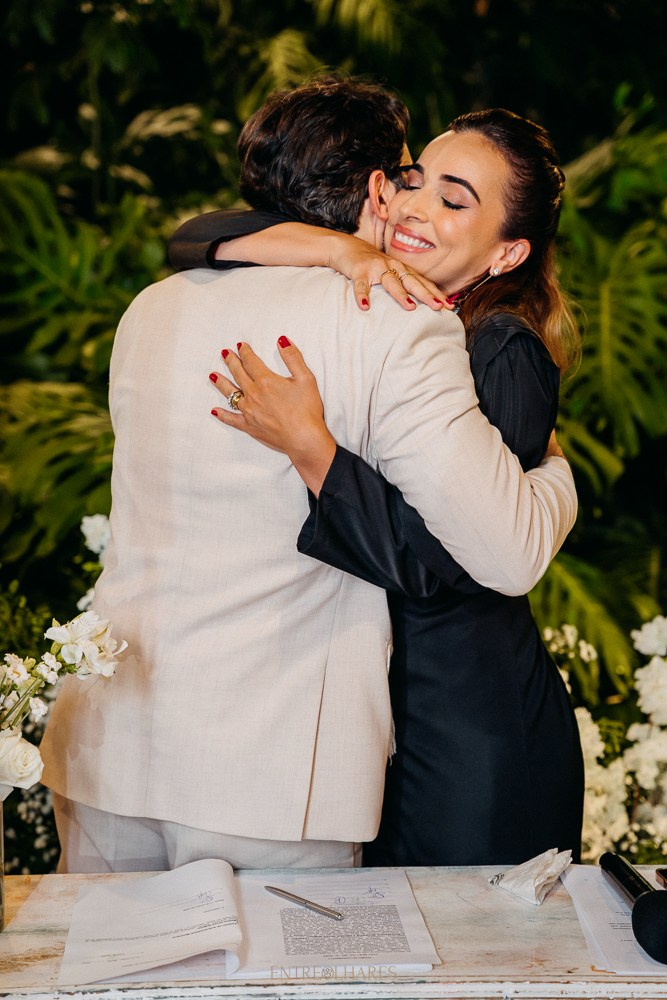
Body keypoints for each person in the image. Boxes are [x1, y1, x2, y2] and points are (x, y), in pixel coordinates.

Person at [41, 78, 576, 874]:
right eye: (408, 178)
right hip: (268, 770)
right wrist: (558, 474)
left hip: (109, 744)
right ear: (376, 190)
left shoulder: (151, 307)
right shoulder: (392, 318)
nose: (412, 203)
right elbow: (502, 552)